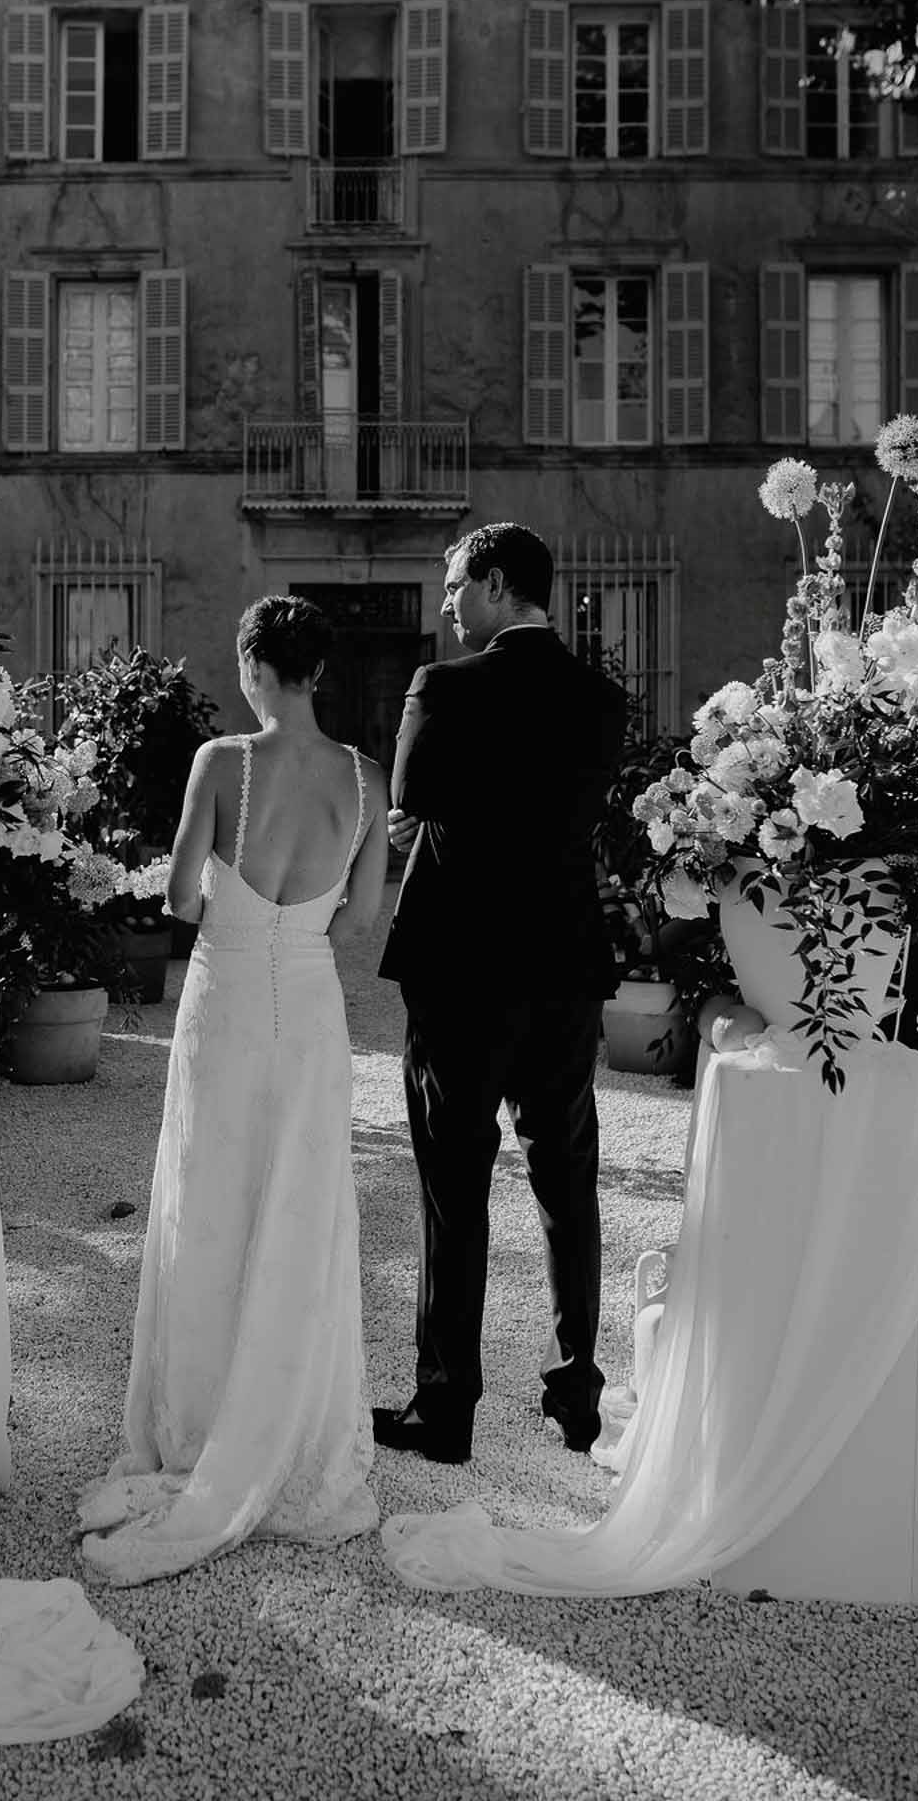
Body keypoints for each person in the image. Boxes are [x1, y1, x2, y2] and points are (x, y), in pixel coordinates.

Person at [76, 595, 389, 1584]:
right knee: (299, 1209)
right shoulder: (365, 777)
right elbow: (363, 916)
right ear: (320, 671)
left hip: (227, 1002)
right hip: (311, 1008)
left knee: (211, 1200)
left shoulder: (223, 762)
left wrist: (227, 901)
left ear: (256, 665)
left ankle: (204, 1423)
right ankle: (290, 1421)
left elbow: (176, 895)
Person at [373, 522, 627, 1465]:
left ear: (491, 581)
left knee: (453, 1186)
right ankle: (575, 1391)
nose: (444, 604)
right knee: (566, 1179)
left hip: (461, 966)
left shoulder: (445, 684)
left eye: (451, 585)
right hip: (562, 960)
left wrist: (436, 810)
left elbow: (409, 789)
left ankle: (445, 1409)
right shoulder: (601, 699)